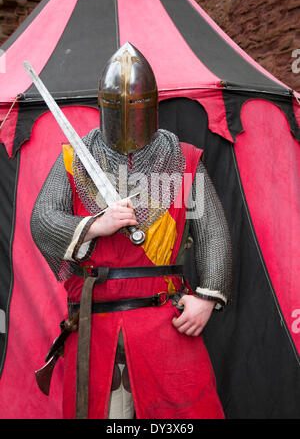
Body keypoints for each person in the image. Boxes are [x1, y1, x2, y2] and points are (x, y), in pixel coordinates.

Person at [31, 42, 232, 419]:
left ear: (153, 106)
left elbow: (213, 235)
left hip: (165, 322)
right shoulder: (75, 160)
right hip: (92, 323)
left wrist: (207, 297)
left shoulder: (183, 161)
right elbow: (43, 220)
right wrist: (94, 225)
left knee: (181, 415)